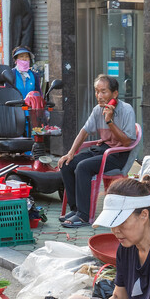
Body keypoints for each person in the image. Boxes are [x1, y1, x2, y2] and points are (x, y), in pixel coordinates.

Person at [58, 74, 136, 228]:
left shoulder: (126, 110)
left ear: (114, 94)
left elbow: (128, 141)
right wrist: (71, 152)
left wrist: (109, 121)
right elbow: (84, 132)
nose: (99, 96)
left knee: (83, 167)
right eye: (97, 91)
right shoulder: (96, 110)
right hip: (104, 149)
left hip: (118, 153)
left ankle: (84, 216)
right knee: (67, 164)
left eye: (103, 92)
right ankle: (76, 210)